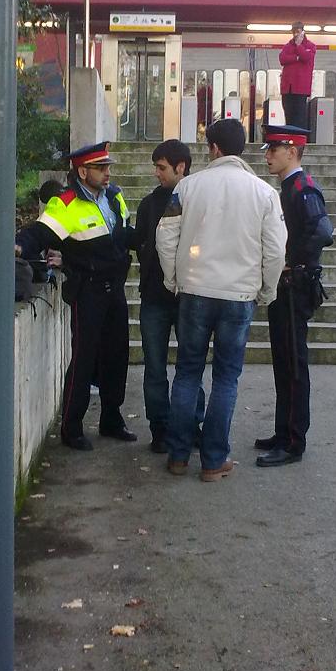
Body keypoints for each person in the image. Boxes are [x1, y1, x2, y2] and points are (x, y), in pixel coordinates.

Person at [156, 119, 286, 482]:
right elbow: (276, 250)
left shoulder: (187, 187)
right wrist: (267, 290)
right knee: (226, 378)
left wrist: (174, 279)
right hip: (239, 295)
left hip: (195, 291)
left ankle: (178, 455)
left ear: (213, 148)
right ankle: (214, 460)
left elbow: (165, 237)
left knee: (186, 373)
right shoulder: (264, 193)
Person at [15, 141, 137, 451]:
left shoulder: (114, 195)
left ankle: (112, 419)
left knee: (116, 356)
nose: (107, 173)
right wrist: (16, 247)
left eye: (108, 167)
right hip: (89, 291)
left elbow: (124, 232)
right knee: (83, 360)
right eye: (100, 168)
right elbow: (39, 234)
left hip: (115, 289)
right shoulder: (66, 203)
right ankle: (72, 427)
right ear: (83, 172)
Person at [255, 124, 334, 468]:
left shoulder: (302, 188)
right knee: (283, 362)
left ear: (293, 151)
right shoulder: (288, 187)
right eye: (268, 149)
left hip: (294, 287)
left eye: (274, 149)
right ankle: (282, 430)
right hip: (283, 287)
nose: (268, 155)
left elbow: (323, 231)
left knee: (294, 365)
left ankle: (294, 441)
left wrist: (293, 262)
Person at [133, 140, 204, 453]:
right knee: (155, 367)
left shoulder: (197, 200)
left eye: (161, 167)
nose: (156, 173)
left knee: (190, 366)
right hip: (154, 298)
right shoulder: (149, 204)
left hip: (189, 296)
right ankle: (160, 429)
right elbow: (141, 244)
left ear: (181, 167)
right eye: (156, 167)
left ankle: (191, 425)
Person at [279, 21, 316, 129]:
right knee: (288, 114)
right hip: (287, 88)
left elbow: (306, 57)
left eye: (298, 32)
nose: (295, 34)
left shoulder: (310, 46)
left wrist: (299, 46)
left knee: (299, 116)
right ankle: (290, 137)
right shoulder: (287, 46)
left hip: (301, 88)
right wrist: (296, 58)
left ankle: (299, 140)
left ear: (303, 32)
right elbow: (282, 59)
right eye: (294, 32)